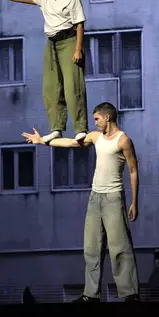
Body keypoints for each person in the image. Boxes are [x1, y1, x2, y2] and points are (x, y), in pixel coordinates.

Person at [21, 102, 141, 303]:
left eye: (96, 119)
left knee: (119, 246)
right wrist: (42, 141)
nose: (94, 123)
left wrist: (134, 202)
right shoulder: (96, 137)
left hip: (113, 197)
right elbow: (71, 143)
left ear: (107, 118)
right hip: (95, 198)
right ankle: (91, 295)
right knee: (92, 247)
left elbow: (133, 171)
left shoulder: (123, 140)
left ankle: (130, 294)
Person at [0, 0, 88, 144]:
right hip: (52, 44)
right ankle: (56, 128)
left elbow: (79, 24)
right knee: (51, 87)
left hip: (69, 41)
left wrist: (78, 49)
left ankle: (80, 128)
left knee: (72, 85)